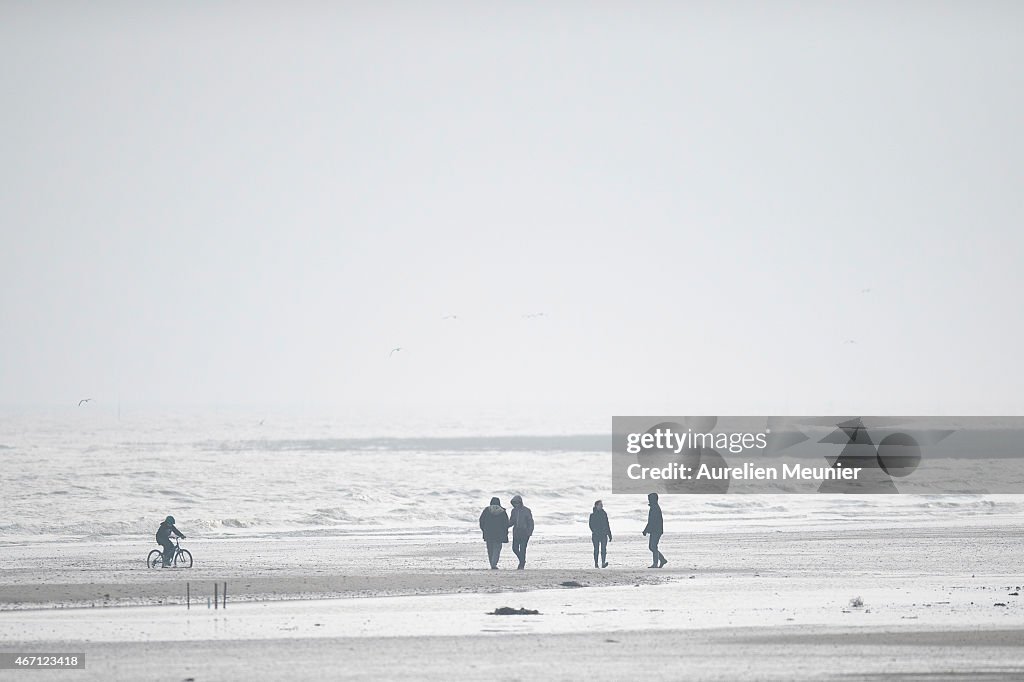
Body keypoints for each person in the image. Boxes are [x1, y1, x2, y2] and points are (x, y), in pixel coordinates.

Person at [479, 497, 509, 569]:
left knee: (490, 549)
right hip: (499, 533)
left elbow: (481, 521)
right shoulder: (502, 511)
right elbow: (506, 523)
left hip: (488, 533)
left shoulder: (487, 510)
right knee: (497, 549)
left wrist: (484, 530)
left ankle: (491, 563)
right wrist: (505, 533)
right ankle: (494, 563)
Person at [507, 494, 535, 570]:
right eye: (514, 503)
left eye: (517, 502)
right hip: (516, 532)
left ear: (520, 502)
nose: (516, 504)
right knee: (514, 548)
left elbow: (530, 522)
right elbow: (512, 521)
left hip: (524, 532)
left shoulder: (527, 510)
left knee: (523, 549)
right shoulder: (514, 511)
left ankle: (521, 564)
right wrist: (505, 526)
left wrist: (529, 532)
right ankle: (522, 560)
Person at [641, 492, 667, 568]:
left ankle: (656, 563)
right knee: (652, 546)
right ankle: (662, 560)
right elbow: (651, 521)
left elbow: (652, 521)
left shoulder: (654, 508)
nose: (648, 500)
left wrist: (646, 530)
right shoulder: (654, 507)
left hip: (656, 530)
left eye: (649, 499)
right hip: (656, 530)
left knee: (653, 546)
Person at [589, 500, 612, 568]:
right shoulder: (592, 515)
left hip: (603, 534)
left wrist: (609, 534)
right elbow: (590, 525)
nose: (602, 506)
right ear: (596, 506)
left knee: (603, 549)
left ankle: (603, 563)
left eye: (602, 505)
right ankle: (596, 563)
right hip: (596, 535)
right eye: (600, 505)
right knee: (596, 549)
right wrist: (595, 531)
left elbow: (607, 524)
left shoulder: (604, 514)